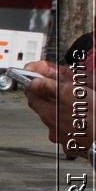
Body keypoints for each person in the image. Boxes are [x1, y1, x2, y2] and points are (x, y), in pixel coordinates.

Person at [25, 28, 92, 158]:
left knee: (77, 114)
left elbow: (69, 58)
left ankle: (76, 146)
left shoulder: (86, 39)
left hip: (78, 82)